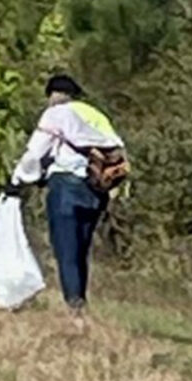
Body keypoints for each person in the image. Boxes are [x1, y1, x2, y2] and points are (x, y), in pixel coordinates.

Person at [7, 74, 125, 323]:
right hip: (95, 191)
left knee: (67, 251)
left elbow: (36, 151)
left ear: (53, 94)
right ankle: (79, 301)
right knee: (82, 250)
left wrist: (19, 179)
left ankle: (75, 310)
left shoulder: (56, 113)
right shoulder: (96, 116)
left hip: (66, 188)